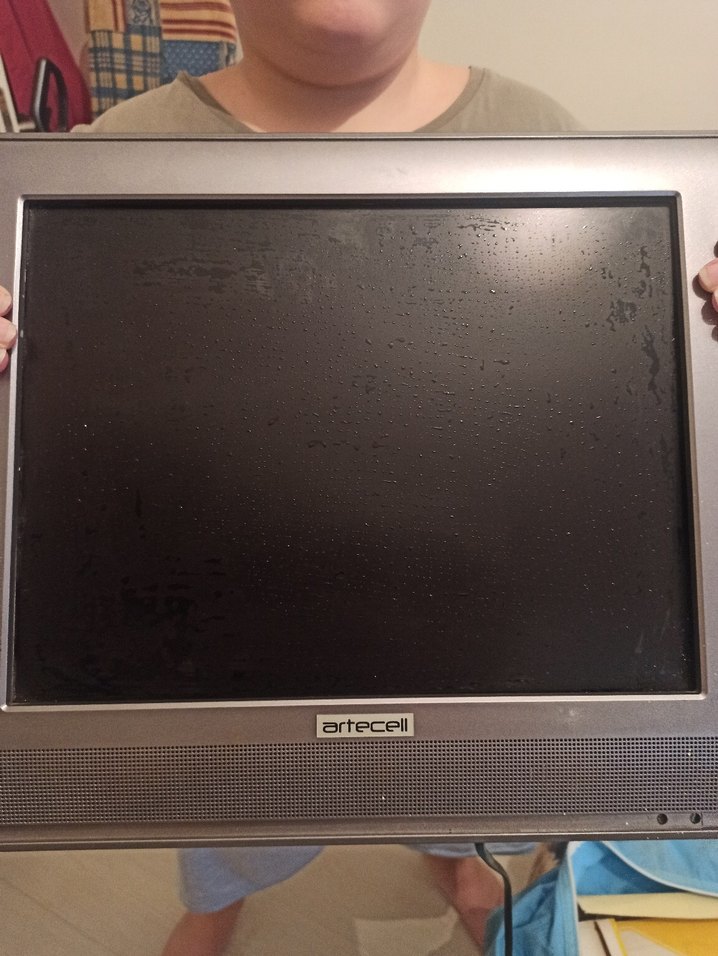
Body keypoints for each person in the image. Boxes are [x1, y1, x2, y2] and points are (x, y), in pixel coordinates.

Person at [1, 2, 718, 953]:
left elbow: (602, 399)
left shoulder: (541, 138)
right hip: (220, 630)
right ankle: (219, 898)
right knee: (230, 808)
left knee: (471, 787)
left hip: (468, 624)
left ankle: (458, 859)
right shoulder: (109, 158)